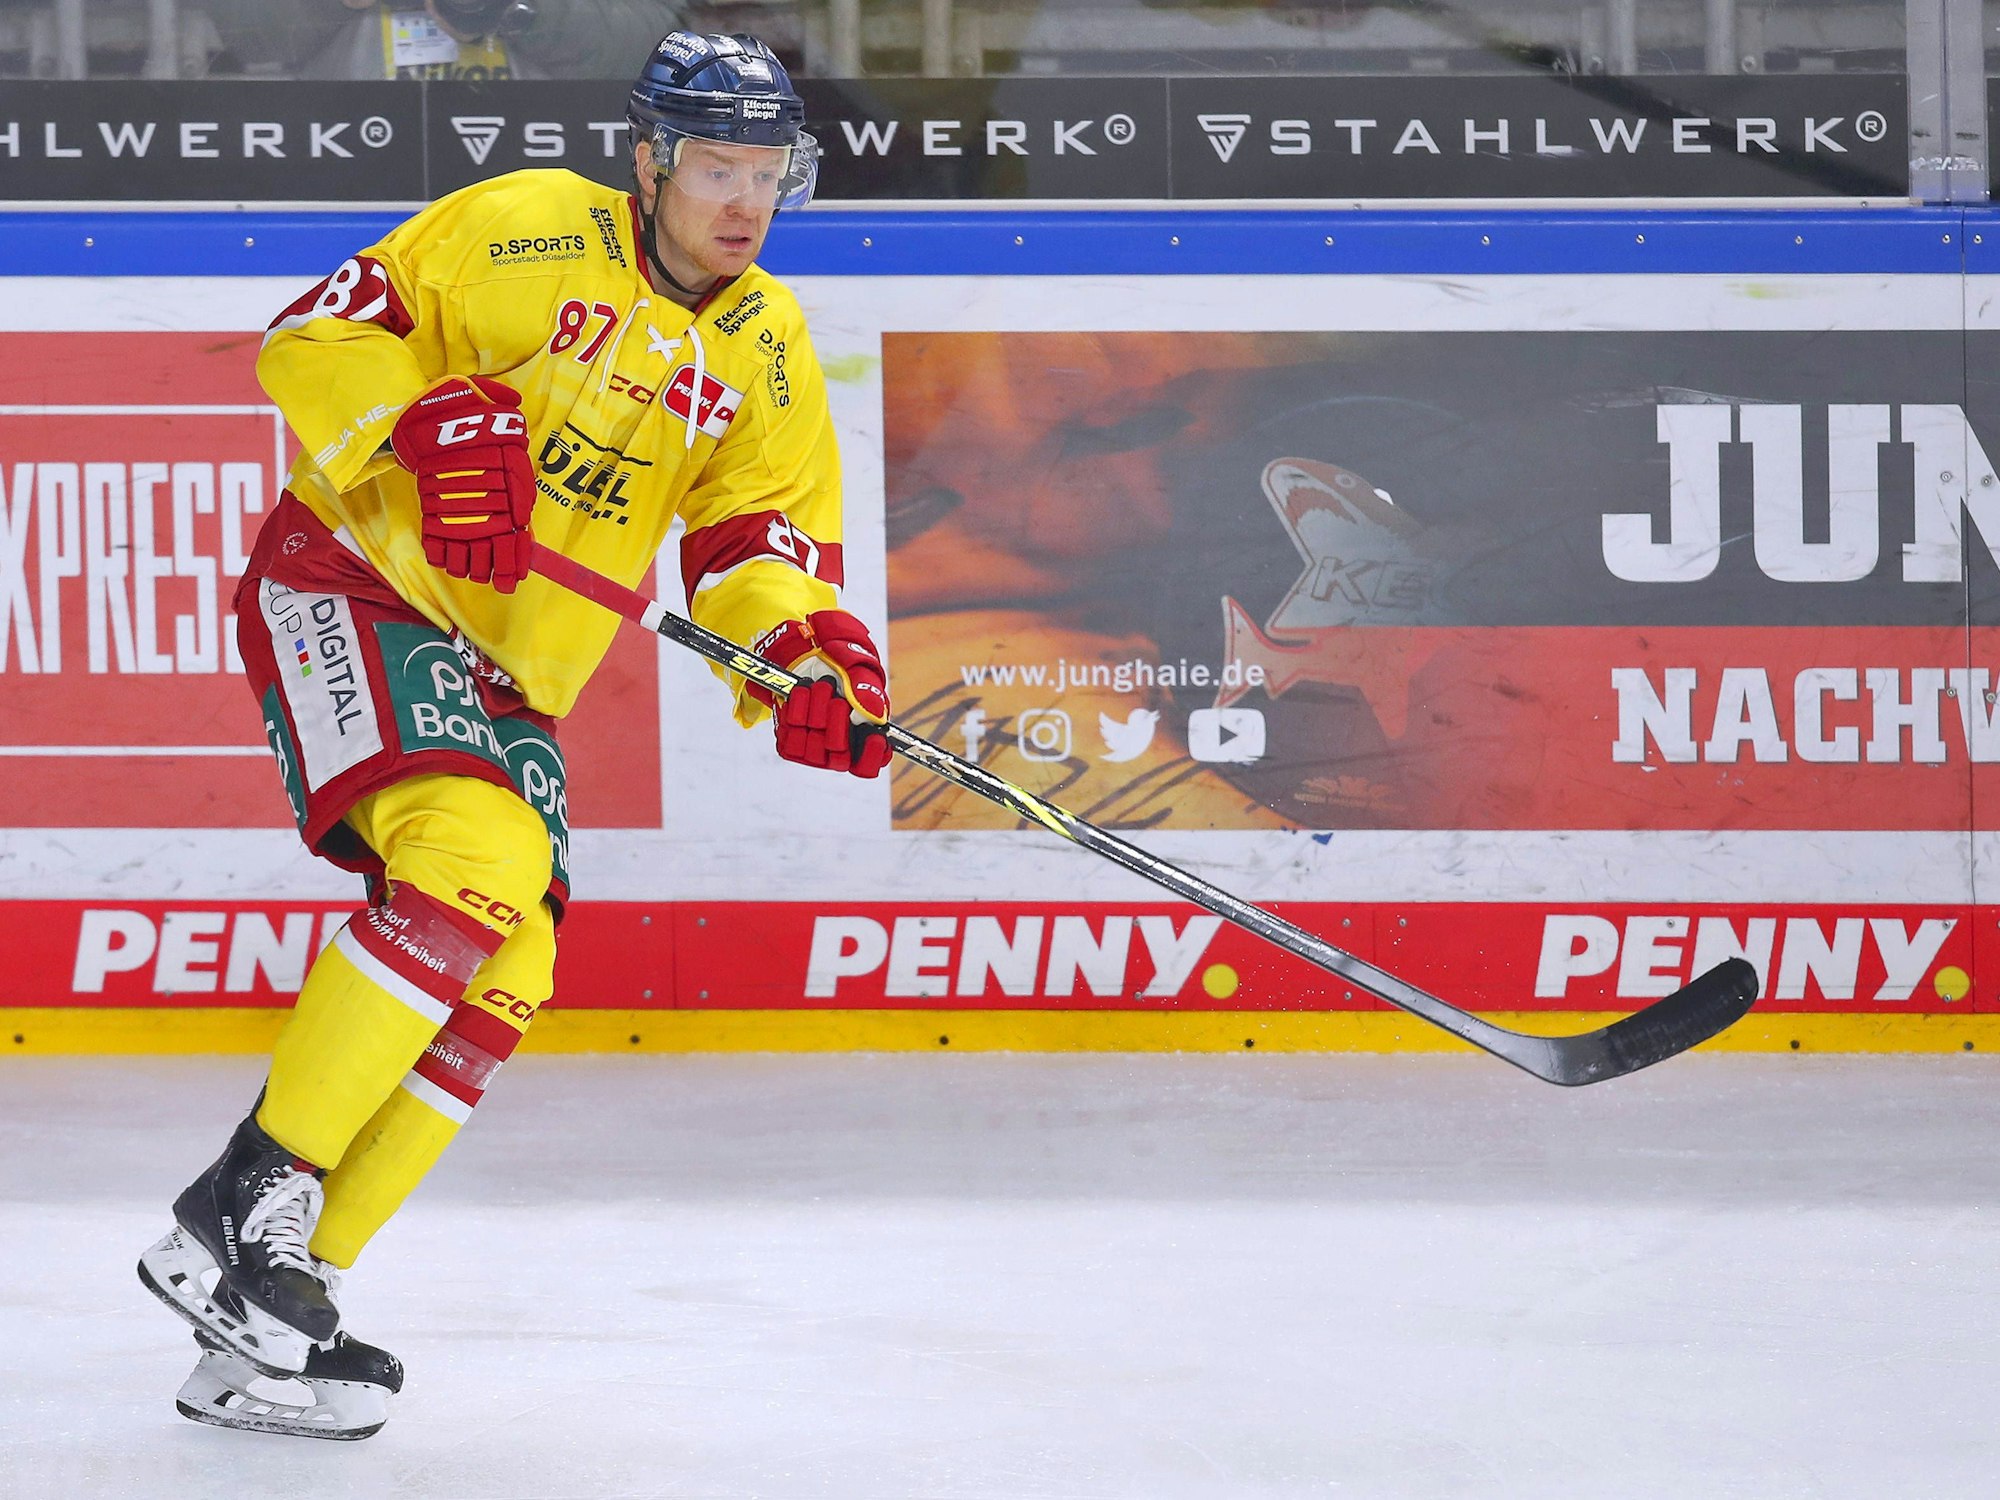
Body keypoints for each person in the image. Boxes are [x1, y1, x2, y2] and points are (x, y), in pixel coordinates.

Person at [136, 30, 887, 1441]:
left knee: (519, 956)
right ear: (652, 158)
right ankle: (245, 1198)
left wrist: (797, 649)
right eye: (717, 165)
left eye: (768, 172)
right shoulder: (525, 225)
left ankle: (267, 1318)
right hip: (352, 584)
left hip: (509, 677)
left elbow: (752, 547)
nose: (744, 200)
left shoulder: (769, 345)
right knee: (474, 854)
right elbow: (313, 336)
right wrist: (415, 425)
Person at [201, 0, 688, 80]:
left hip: (537, 182)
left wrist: (519, 12)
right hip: (345, 167)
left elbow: (655, 46)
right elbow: (249, 43)